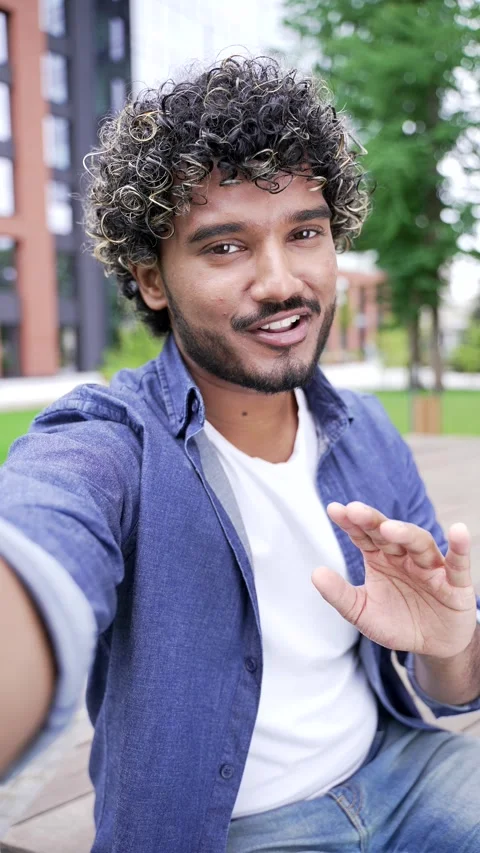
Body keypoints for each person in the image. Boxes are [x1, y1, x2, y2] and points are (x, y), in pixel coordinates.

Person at [0, 56, 480, 853]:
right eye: (225, 246)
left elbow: (453, 686)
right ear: (152, 279)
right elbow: (40, 537)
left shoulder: (363, 426)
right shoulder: (109, 444)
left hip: (402, 767)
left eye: (305, 232)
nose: (281, 281)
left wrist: (452, 640)